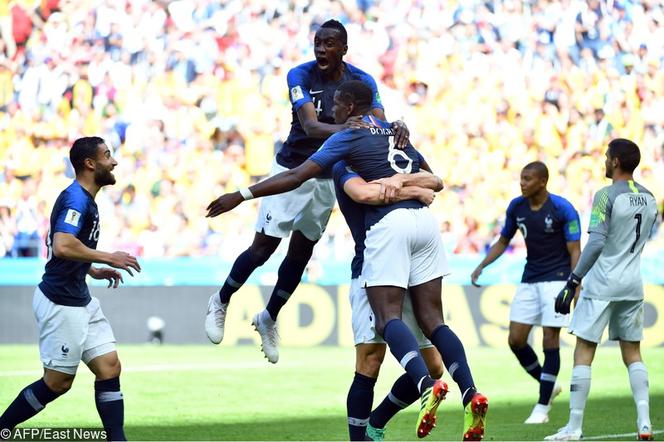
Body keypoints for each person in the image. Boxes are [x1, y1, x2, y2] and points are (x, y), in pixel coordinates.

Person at [206, 80, 488, 440]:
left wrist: (242, 195)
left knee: (394, 355)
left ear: (351, 105)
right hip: (421, 229)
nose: (332, 112)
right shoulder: (394, 135)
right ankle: (457, 395)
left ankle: (406, 400)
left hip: (380, 246)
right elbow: (433, 182)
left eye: (337, 105)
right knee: (417, 336)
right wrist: (413, 186)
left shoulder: (344, 145)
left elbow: (339, 186)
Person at [204, 19, 407, 364]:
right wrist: (347, 128)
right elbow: (311, 126)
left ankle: (268, 317)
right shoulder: (299, 75)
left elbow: (378, 122)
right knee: (263, 249)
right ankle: (221, 300)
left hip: (328, 178)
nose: (321, 49)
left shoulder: (363, 81)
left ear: (344, 48)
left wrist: (395, 126)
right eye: (317, 42)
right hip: (291, 169)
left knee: (301, 254)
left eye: (329, 44)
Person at [0, 137, 141, 440]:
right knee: (57, 383)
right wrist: (108, 256)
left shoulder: (85, 199)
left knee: (109, 367)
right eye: (107, 156)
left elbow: (62, 245)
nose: (113, 162)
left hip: (80, 297)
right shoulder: (77, 199)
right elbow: (63, 245)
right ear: (90, 164)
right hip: (61, 302)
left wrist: (92, 269)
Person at [546, 139, 658, 441]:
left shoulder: (606, 195)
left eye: (607, 158)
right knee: (633, 353)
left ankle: (574, 427)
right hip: (633, 284)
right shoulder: (650, 198)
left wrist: (573, 281)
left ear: (617, 162)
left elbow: (596, 242)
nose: (605, 162)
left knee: (584, 351)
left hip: (603, 283)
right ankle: (644, 423)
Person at [332, 159, 445, 440]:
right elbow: (367, 194)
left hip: (410, 269)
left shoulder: (395, 148)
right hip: (371, 267)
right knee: (370, 361)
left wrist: (404, 180)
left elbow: (433, 178)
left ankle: (376, 422)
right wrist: (414, 190)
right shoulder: (345, 161)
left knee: (434, 366)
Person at [470, 162, 581, 424]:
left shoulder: (563, 208)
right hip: (530, 278)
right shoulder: (516, 207)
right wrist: (482, 265)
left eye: (527, 179)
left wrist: (574, 284)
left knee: (549, 340)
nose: (522, 183)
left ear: (542, 181)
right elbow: (503, 240)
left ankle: (542, 408)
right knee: (516, 340)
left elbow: (575, 249)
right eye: (521, 178)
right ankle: (549, 384)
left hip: (557, 280)